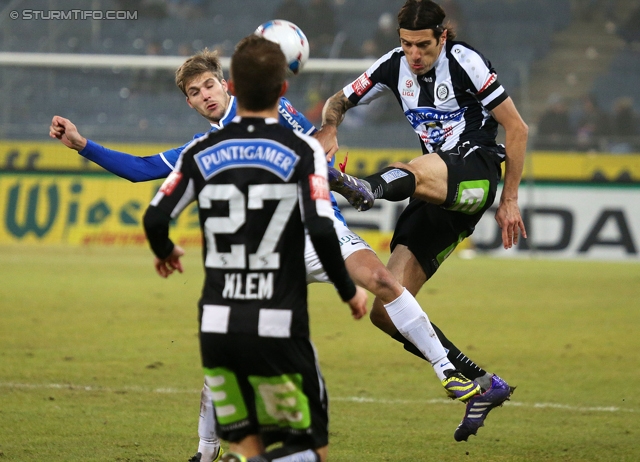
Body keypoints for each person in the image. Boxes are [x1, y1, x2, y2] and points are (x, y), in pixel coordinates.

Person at [50, 42, 487, 453]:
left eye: (208, 85)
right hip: (268, 253)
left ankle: (447, 371)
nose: (204, 95)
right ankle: (206, 451)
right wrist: (80, 144)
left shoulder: (271, 107)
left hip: (319, 233)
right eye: (194, 92)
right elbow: (140, 169)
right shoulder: (204, 147)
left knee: (382, 280)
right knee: (232, 346)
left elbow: (313, 144)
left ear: (226, 84)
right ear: (189, 102)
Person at [143, 35, 368, 462]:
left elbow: (155, 218)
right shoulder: (301, 152)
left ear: (232, 88)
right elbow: (321, 228)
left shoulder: (199, 151)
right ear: (283, 91)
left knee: (246, 445)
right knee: (308, 448)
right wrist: (347, 290)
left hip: (217, 327)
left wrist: (166, 249)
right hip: (277, 323)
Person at [315, 0, 527, 442]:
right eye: (408, 45)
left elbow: (517, 128)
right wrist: (330, 126)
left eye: (424, 46)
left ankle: (365, 188)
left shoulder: (466, 62)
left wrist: (510, 198)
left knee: (414, 169)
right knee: (386, 309)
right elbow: (339, 99)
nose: (415, 55)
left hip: (476, 172)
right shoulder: (394, 65)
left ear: (442, 37)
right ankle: (482, 385)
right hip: (431, 193)